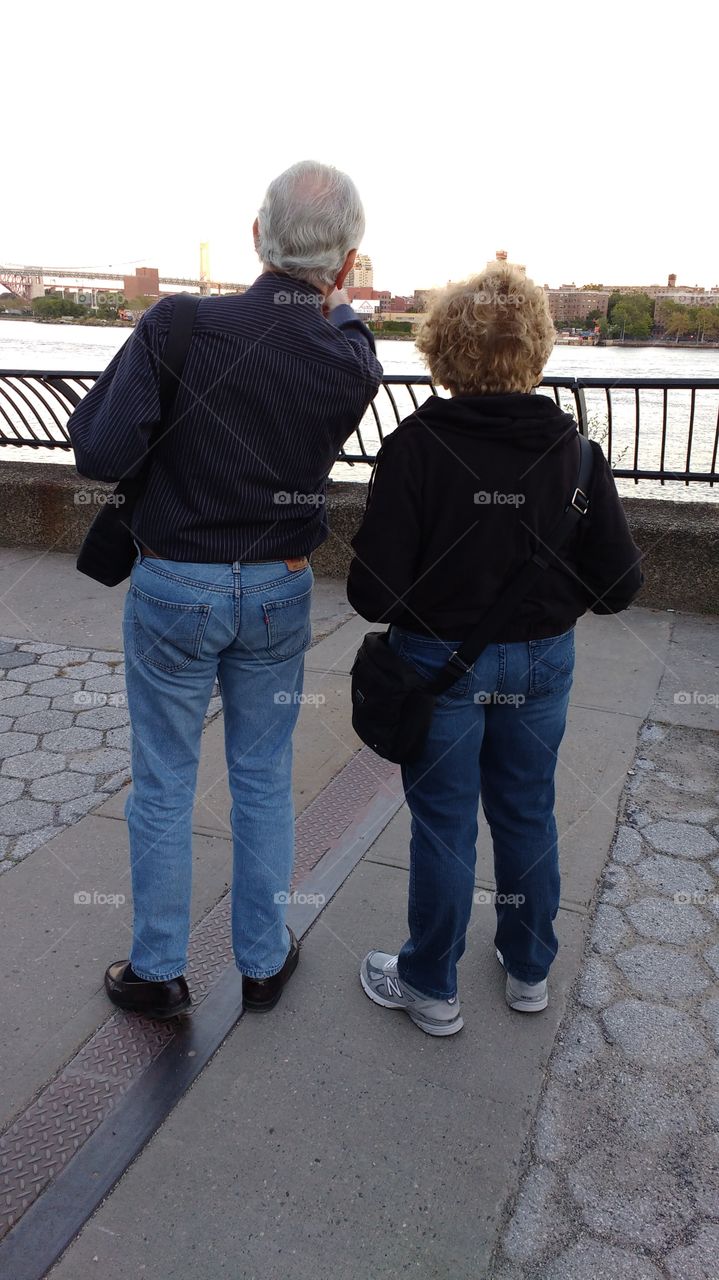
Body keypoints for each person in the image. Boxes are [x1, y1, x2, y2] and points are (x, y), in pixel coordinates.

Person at [69, 160, 382, 1020]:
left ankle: (159, 970)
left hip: (175, 584)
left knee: (164, 777)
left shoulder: (180, 325)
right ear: (347, 264)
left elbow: (98, 451)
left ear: (255, 236)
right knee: (262, 775)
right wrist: (339, 301)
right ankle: (261, 959)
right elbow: (346, 332)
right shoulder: (349, 358)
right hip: (279, 589)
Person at [347, 261, 642, 1037]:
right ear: (536, 349)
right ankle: (526, 970)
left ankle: (430, 987)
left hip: (438, 665)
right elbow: (618, 588)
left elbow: (371, 594)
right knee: (525, 811)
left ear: (443, 348)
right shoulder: (576, 455)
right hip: (541, 663)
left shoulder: (413, 446)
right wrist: (545, 604)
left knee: (443, 824)